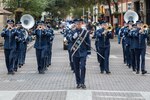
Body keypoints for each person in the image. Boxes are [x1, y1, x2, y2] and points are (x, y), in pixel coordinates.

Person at [70, 19, 91, 89]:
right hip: (75, 52)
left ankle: (82, 82)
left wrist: (88, 52)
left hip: (83, 52)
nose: (78, 25)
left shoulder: (85, 32)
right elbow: (69, 40)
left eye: (79, 24)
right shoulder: (72, 32)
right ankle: (78, 83)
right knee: (76, 68)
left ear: (81, 24)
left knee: (82, 67)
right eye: (77, 24)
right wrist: (73, 37)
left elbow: (88, 42)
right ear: (75, 25)